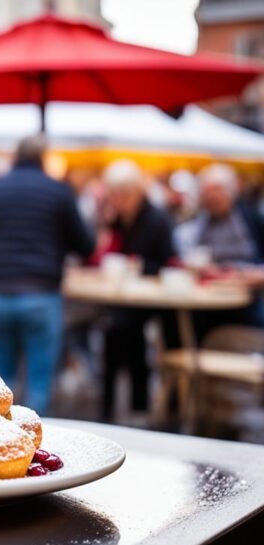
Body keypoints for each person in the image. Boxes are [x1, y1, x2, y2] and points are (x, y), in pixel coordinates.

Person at [0, 135, 94, 415]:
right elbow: (85, 245)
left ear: (16, 156)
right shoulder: (58, 192)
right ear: (43, 157)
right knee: (39, 382)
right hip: (41, 294)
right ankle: (36, 446)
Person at [96, 159, 175, 422]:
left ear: (139, 192)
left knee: (125, 334)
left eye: (125, 194)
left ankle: (137, 408)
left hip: (150, 300)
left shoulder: (157, 219)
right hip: (121, 297)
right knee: (113, 333)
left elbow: (170, 262)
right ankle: (108, 408)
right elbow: (105, 255)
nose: (119, 200)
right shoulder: (117, 220)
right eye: (114, 195)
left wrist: (138, 266)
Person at [175, 163, 264, 334]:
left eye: (216, 190)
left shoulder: (252, 220)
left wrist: (251, 276)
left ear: (231, 191)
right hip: (204, 298)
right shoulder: (196, 225)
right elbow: (184, 257)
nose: (211, 196)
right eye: (206, 191)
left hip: (247, 299)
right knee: (179, 323)